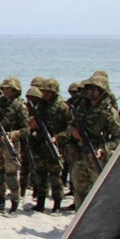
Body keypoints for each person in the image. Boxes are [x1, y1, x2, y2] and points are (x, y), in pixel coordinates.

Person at [65, 75, 120, 209]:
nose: (91, 91)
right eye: (89, 88)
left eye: (95, 89)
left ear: (102, 91)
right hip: (80, 155)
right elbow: (70, 125)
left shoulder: (109, 113)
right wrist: (73, 132)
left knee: (99, 193)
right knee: (79, 191)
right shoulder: (82, 108)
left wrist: (102, 150)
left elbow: (117, 138)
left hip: (96, 158)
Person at [0, 77, 29, 214]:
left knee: (11, 175)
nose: (5, 91)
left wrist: (13, 134)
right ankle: (0, 202)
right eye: (3, 89)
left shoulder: (20, 106)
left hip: (10, 144)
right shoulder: (0, 103)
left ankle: (15, 204)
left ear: (15, 91)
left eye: (8, 89)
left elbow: (26, 129)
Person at [29, 78, 72, 213]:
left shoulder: (62, 107)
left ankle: (57, 205)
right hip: (40, 145)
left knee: (55, 177)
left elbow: (69, 129)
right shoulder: (40, 106)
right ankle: (40, 203)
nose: (44, 94)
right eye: (43, 91)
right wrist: (32, 121)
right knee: (40, 175)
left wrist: (57, 138)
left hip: (55, 146)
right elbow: (30, 119)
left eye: (47, 92)